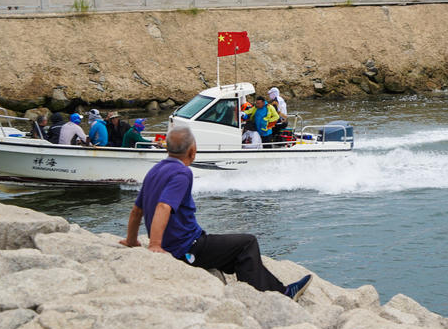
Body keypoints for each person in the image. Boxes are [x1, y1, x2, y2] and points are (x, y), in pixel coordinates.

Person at [119, 127, 312, 300]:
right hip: (187, 248)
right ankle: (268, 298)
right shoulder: (182, 173)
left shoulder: (154, 170)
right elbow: (163, 207)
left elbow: (137, 211)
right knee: (248, 242)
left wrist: (131, 240)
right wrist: (154, 245)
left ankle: (280, 292)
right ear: (192, 150)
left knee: (237, 253)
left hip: (185, 243)